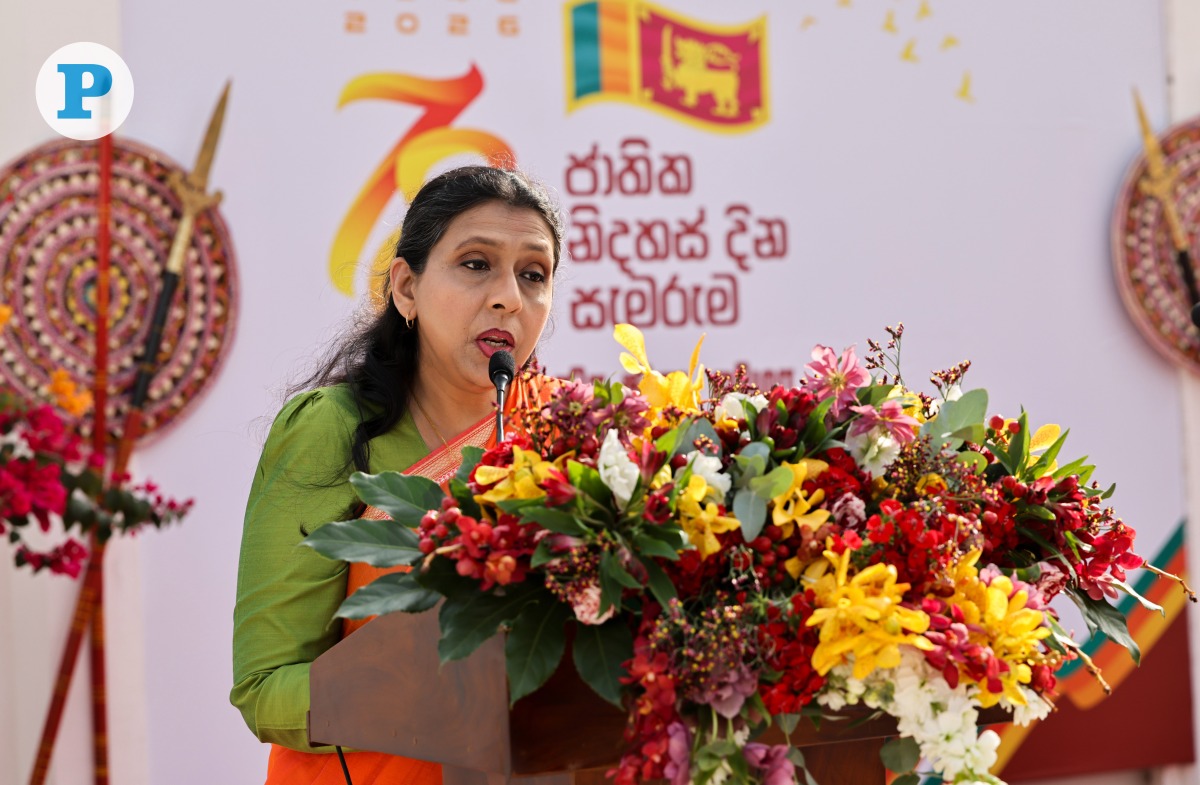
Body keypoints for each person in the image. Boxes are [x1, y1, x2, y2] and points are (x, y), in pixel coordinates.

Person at [231, 165, 564, 785]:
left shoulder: (571, 436)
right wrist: (413, 689)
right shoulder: (331, 431)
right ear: (406, 288)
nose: (509, 298)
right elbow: (263, 686)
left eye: (533, 275)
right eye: (474, 263)